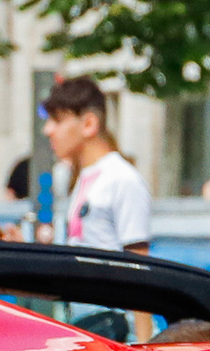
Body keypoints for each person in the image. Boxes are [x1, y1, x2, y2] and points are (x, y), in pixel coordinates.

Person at [42, 77, 151, 252]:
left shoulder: (122, 179)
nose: (47, 130)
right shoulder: (85, 176)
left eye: (57, 120)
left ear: (89, 124)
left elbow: (137, 264)